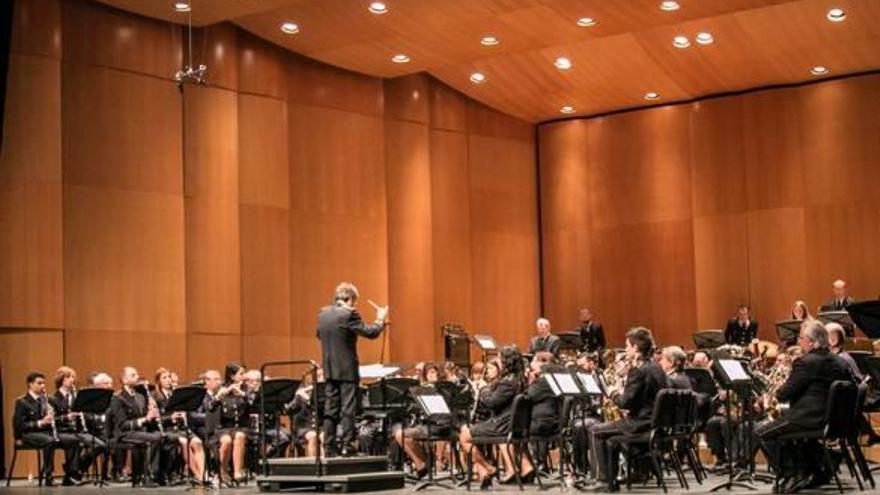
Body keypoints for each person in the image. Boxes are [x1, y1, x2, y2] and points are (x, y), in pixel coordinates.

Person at [753, 319, 854, 492]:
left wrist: (769, 395)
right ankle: (814, 469)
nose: (798, 342)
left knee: (760, 432)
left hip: (809, 418)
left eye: (801, 338)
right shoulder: (840, 362)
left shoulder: (807, 362)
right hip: (835, 421)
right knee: (790, 434)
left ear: (812, 342)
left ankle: (793, 474)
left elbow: (784, 394)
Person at [589, 327, 667, 491]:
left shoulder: (637, 370)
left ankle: (603, 480)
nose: (625, 349)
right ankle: (613, 481)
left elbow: (625, 403)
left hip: (640, 424)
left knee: (594, 430)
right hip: (655, 423)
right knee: (610, 440)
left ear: (636, 348)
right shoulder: (657, 368)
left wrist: (613, 392)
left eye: (627, 346)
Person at [316, 282, 388, 456]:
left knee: (330, 409)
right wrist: (380, 318)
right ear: (349, 299)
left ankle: (329, 447)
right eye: (354, 302)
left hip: (329, 368)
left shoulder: (323, 314)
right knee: (348, 408)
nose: (355, 306)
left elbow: (319, 335)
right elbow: (371, 333)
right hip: (347, 369)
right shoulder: (350, 314)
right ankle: (348, 446)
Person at [459, 346, 525, 489]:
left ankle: (489, 469)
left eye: (500, 359)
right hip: (506, 422)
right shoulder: (518, 379)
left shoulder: (508, 382)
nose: (498, 361)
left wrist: (483, 388)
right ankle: (484, 474)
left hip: (502, 425)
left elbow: (492, 403)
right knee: (471, 432)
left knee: (464, 437)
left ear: (506, 362)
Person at [13, 371, 83, 486]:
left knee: (73, 440)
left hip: (45, 432)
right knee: (49, 441)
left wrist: (51, 417)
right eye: (39, 383)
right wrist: (41, 422)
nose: (43, 386)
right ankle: (48, 475)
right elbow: (20, 425)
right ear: (30, 384)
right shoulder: (22, 402)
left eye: (44, 383)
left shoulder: (44, 400)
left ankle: (70, 475)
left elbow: (51, 419)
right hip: (28, 434)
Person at [110, 366, 169, 486]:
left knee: (163, 437)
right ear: (124, 380)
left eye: (137, 374)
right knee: (155, 438)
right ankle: (148, 476)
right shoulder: (118, 398)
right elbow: (122, 424)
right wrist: (144, 419)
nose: (137, 377)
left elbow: (144, 418)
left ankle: (158, 474)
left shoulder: (140, 397)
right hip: (123, 433)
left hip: (138, 431)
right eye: (133, 375)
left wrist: (152, 414)